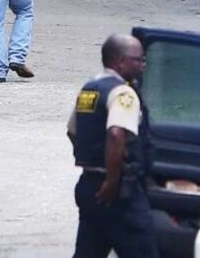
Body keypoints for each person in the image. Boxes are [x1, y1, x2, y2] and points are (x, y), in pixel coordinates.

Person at [68, 33, 158, 258]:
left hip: (89, 185)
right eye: (139, 59)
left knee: (88, 252)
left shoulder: (90, 89)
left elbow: (73, 132)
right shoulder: (123, 92)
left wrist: (93, 159)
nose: (143, 64)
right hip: (118, 192)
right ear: (120, 60)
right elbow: (116, 134)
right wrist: (111, 179)